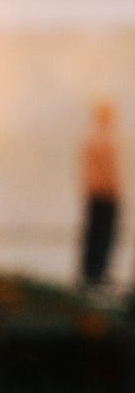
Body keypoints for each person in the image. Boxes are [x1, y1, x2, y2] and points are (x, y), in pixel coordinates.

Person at [80, 99, 121, 293]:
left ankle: (91, 273)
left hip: (94, 193)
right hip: (105, 193)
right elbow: (108, 171)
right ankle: (97, 274)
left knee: (93, 234)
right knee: (103, 235)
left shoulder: (90, 138)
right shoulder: (104, 140)